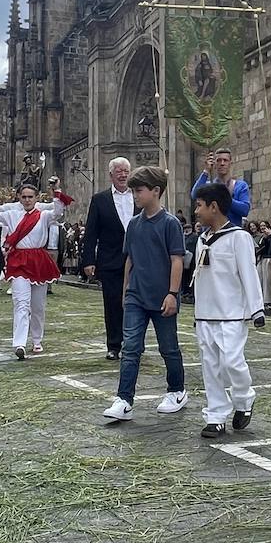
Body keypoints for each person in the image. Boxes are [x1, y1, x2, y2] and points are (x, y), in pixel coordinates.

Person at [103, 165, 187, 423]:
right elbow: (130, 259)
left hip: (162, 297)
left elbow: (177, 260)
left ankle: (177, 391)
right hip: (137, 296)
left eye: (138, 190)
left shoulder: (170, 224)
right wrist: (126, 290)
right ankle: (124, 399)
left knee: (168, 348)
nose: (135, 195)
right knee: (130, 348)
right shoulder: (133, 224)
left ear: (156, 191)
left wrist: (172, 293)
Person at [191, 182, 266, 437]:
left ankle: (244, 399)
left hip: (232, 313)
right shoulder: (202, 239)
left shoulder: (239, 237)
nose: (196, 211)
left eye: (199, 206)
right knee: (210, 366)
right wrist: (197, 313)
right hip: (206, 314)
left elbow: (249, 274)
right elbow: (200, 277)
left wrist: (257, 309)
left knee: (232, 362)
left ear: (214, 207)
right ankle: (216, 415)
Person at [0, 178, 72, 358]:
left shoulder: (44, 215)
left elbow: (58, 212)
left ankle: (37, 340)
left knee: (38, 306)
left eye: (30, 197)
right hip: (19, 260)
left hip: (38, 260)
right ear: (19, 198)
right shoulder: (11, 214)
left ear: (36, 198)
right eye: (24, 197)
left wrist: (57, 191)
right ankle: (19, 343)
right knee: (21, 303)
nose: (27, 200)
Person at [82, 157, 135, 360]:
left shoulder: (140, 197)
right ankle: (114, 344)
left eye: (126, 171)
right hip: (110, 260)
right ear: (111, 175)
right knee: (112, 304)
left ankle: (134, 342)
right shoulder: (100, 199)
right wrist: (88, 260)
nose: (123, 175)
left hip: (137, 260)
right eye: (119, 171)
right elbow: (91, 232)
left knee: (136, 303)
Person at [191, 148, 252, 226]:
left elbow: (244, 210)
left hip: (232, 232)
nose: (222, 163)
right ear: (215, 164)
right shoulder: (209, 186)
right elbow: (194, 194)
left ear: (230, 163)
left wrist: (224, 197)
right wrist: (206, 171)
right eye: (218, 160)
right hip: (212, 233)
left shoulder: (240, 185)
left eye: (225, 160)